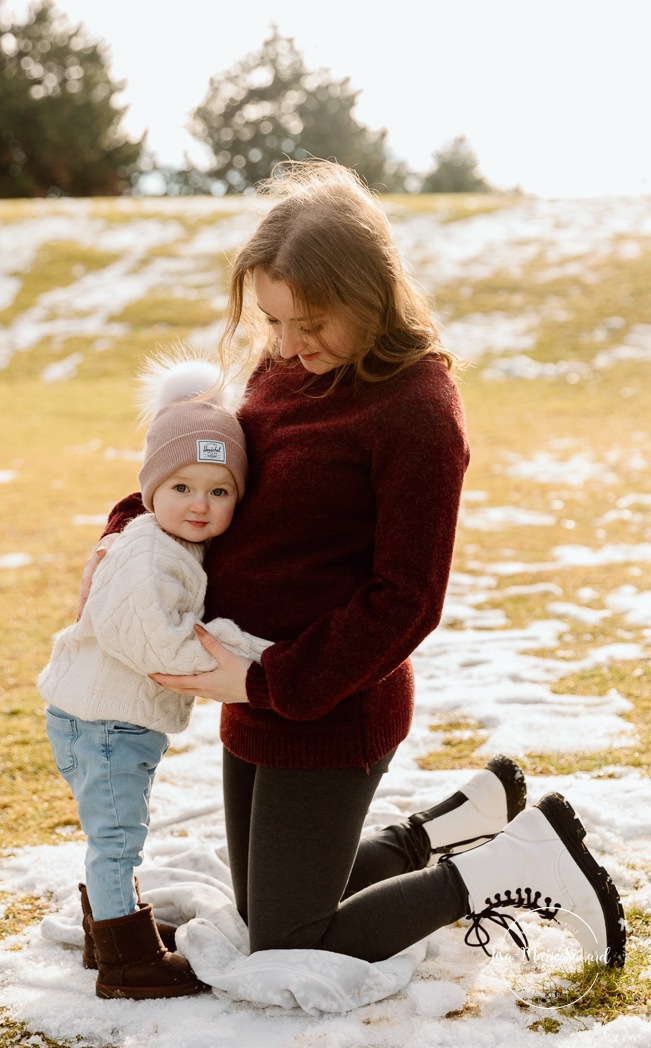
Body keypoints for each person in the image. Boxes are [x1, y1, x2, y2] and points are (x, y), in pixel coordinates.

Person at [85, 161, 625, 974]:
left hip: (329, 701)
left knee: (289, 941)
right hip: (251, 686)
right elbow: (217, 482)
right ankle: (435, 832)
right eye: (273, 322)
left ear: (370, 292)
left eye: (312, 322)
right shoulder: (281, 371)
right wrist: (128, 533)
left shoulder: (416, 409)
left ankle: (511, 864)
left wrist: (265, 683)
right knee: (262, 905)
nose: (290, 346)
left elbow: (406, 599)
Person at [39, 358, 271, 999]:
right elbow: (162, 648)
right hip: (106, 723)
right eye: (183, 488)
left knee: (113, 831)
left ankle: (103, 933)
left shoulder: (172, 544)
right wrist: (250, 656)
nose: (200, 505)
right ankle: (126, 963)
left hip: (112, 718)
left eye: (219, 491)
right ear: (150, 490)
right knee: (116, 839)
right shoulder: (144, 555)